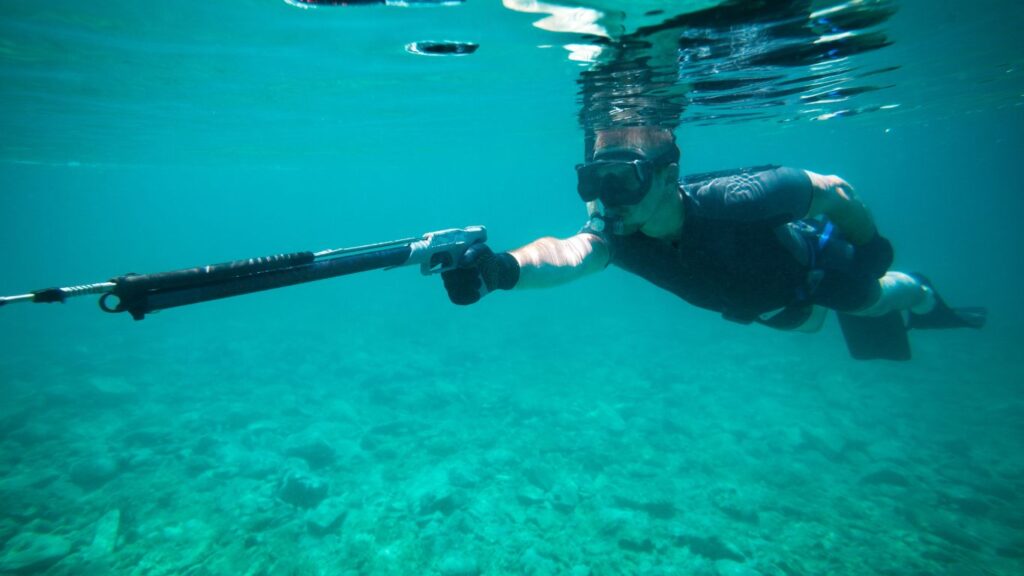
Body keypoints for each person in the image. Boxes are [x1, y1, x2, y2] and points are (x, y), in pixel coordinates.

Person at [441, 126, 985, 360]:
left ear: (665, 173)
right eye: (593, 182)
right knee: (806, 324)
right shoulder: (616, 236)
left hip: (817, 271)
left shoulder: (741, 198)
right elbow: (568, 253)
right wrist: (498, 270)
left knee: (875, 299)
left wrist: (871, 247)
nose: (608, 200)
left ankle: (923, 294)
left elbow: (834, 190)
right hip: (768, 308)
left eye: (622, 181)